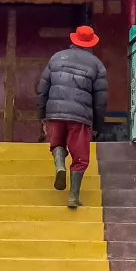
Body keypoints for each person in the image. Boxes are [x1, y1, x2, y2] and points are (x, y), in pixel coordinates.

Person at [36, 25, 108, 208]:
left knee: (57, 143)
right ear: (91, 43)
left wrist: (43, 115)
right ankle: (73, 196)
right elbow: (101, 99)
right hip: (80, 116)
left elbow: (42, 88)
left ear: (74, 39)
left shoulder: (56, 57)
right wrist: (97, 125)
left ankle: (59, 166)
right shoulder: (97, 65)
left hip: (55, 111)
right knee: (81, 157)